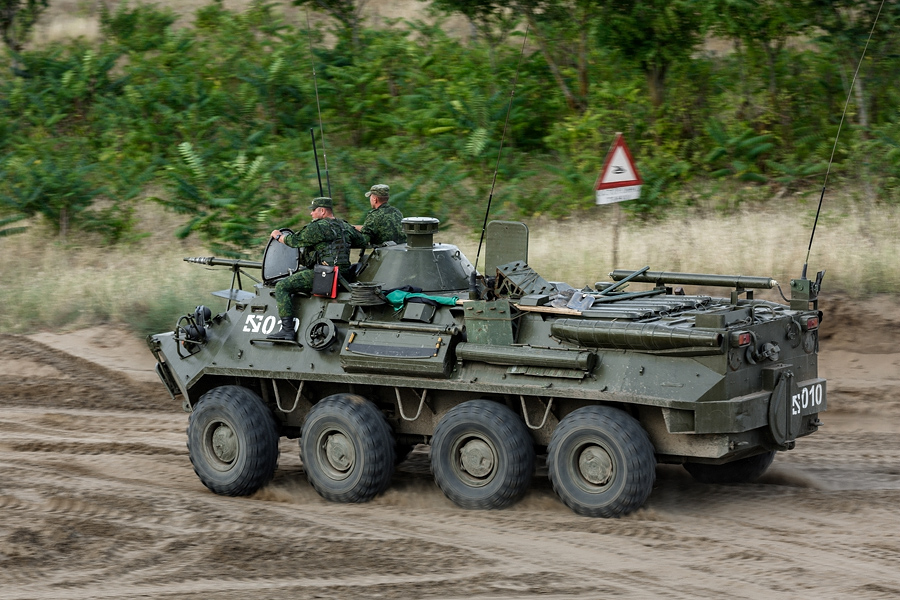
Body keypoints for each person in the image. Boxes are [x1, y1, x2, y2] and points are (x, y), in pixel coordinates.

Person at [267, 196, 366, 341]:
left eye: (314, 210)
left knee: (282, 286)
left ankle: (287, 330)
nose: (311, 213)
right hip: (344, 274)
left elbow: (294, 241)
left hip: (327, 276)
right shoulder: (344, 226)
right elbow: (362, 241)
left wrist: (278, 236)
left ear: (323, 211)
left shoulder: (318, 227)